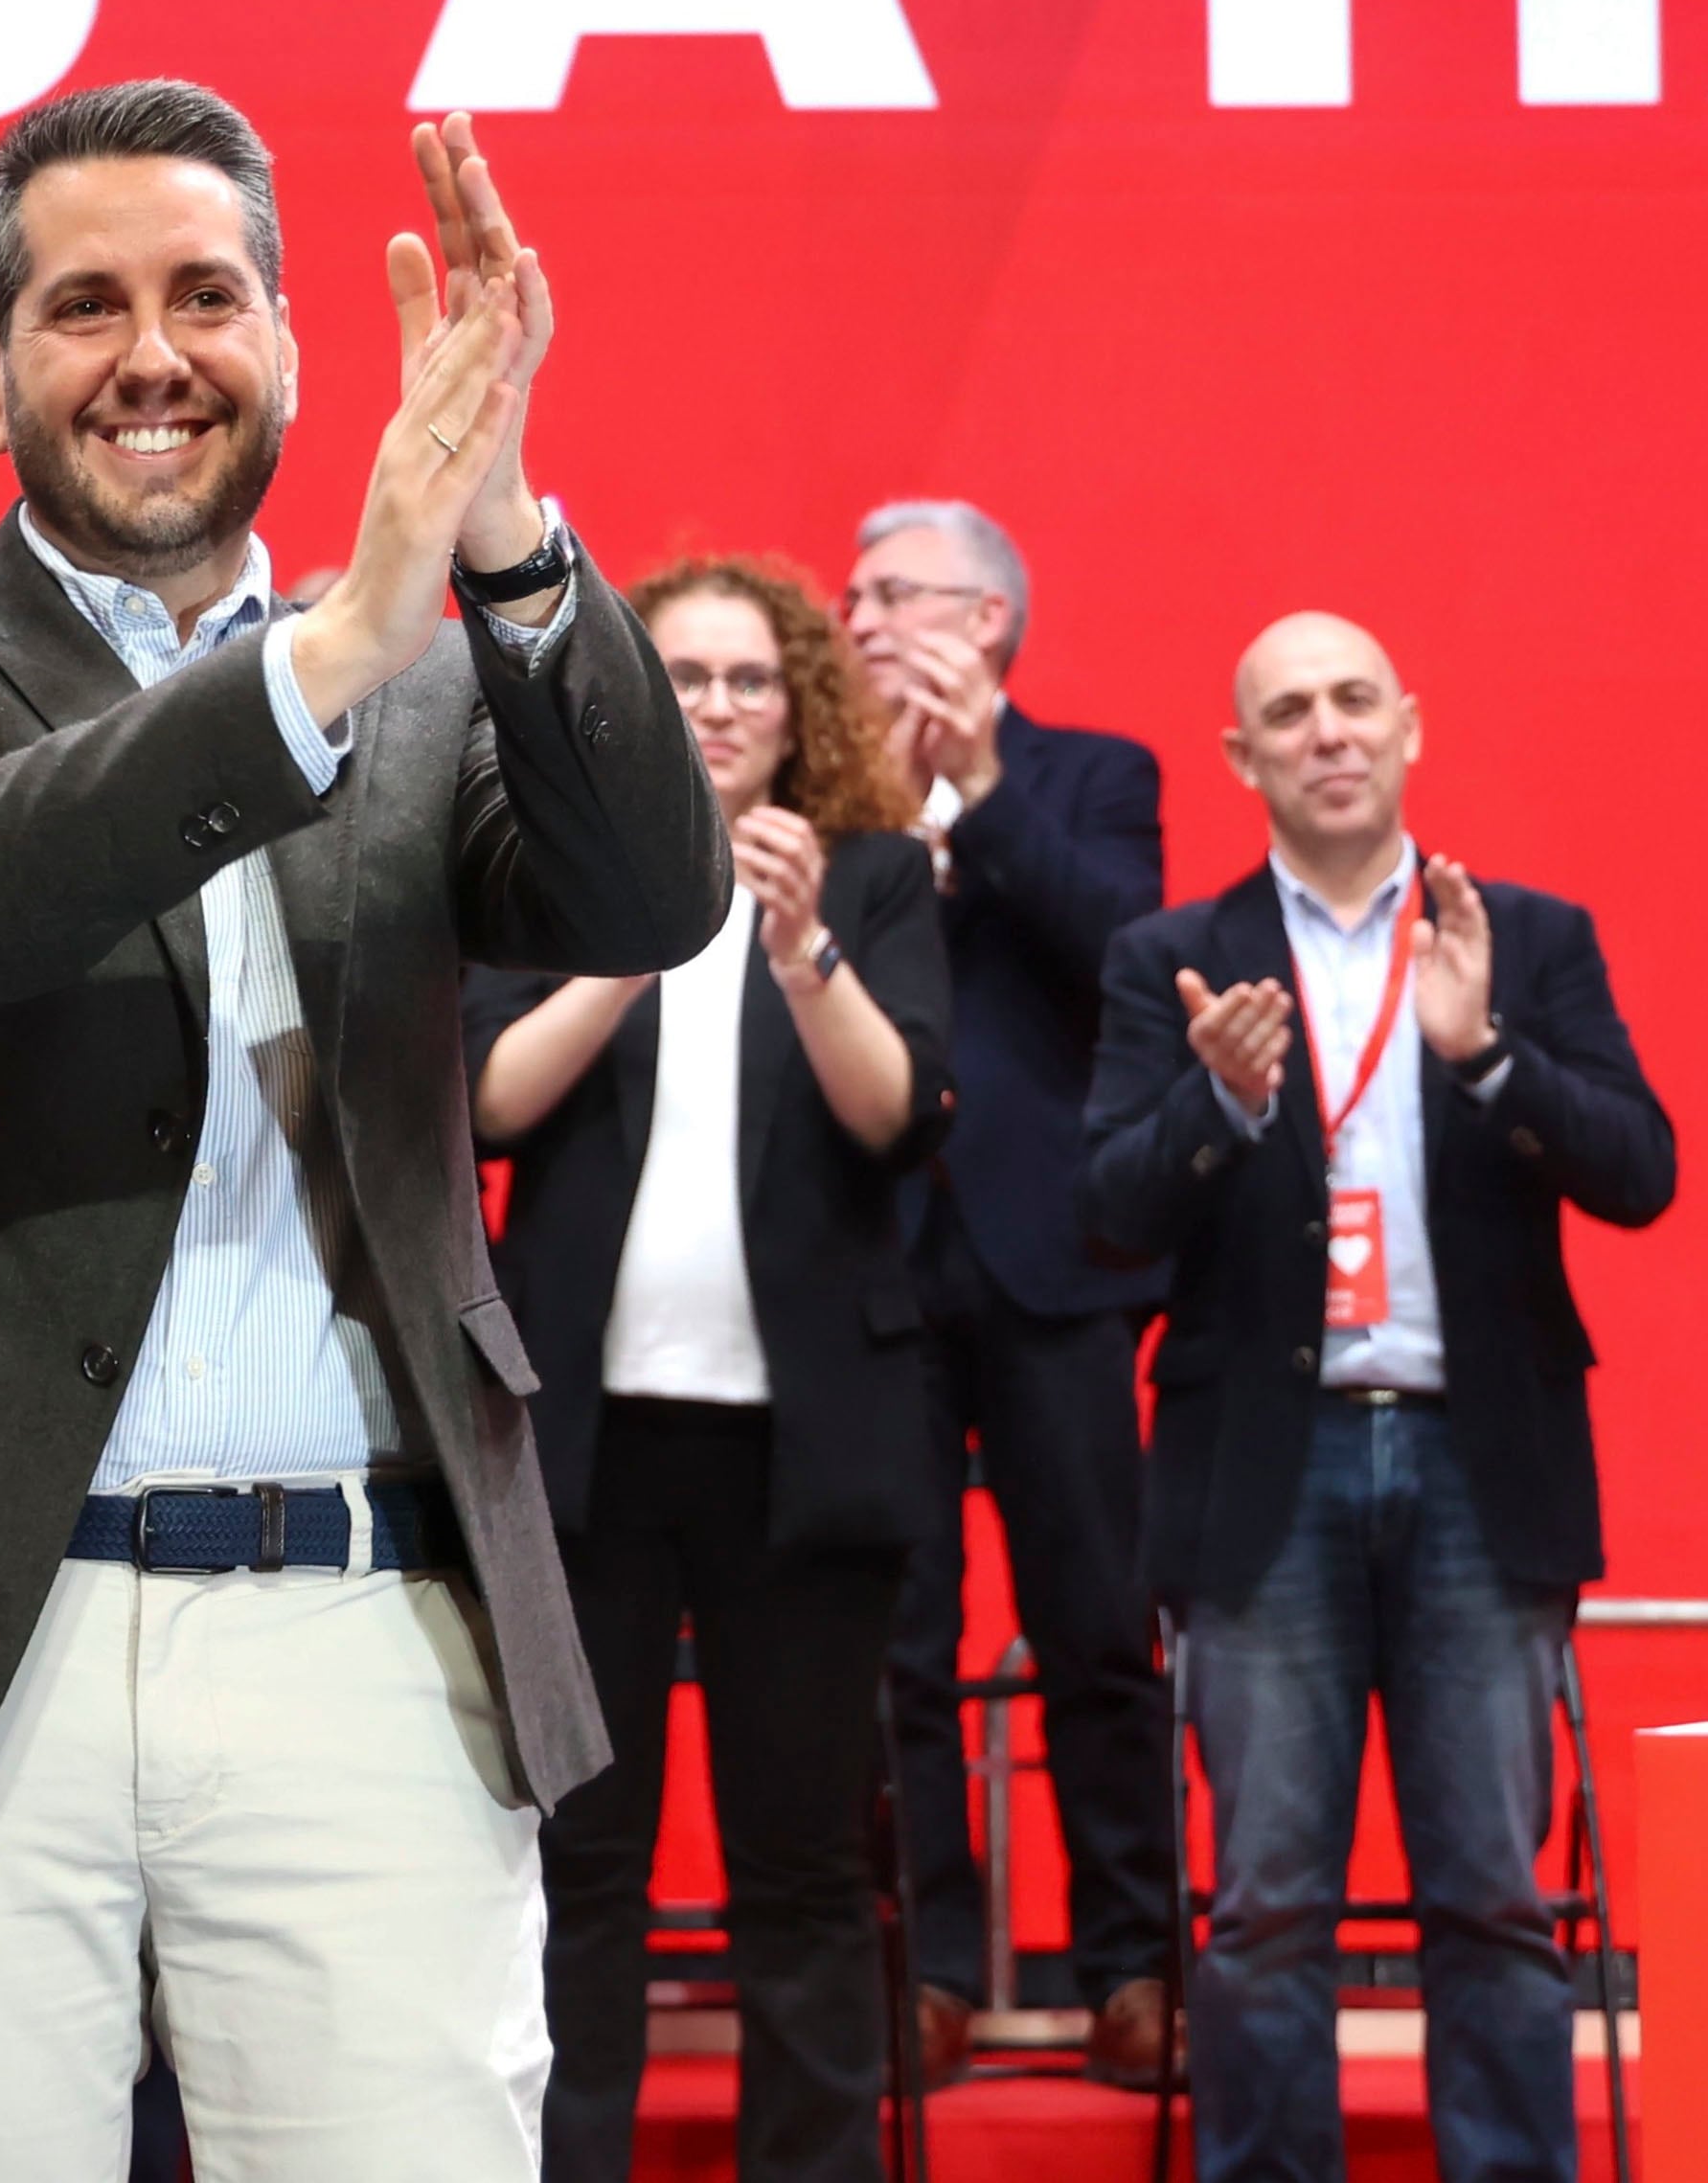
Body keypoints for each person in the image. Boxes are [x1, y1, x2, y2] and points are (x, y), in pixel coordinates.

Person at [0, 82, 731, 2183]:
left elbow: (651, 900)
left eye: (204, 295)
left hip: (363, 1622)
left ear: (289, 343)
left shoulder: (435, 673)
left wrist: (495, 531)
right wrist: (322, 654)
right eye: (81, 304)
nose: (149, 355)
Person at [1087, 613, 1674, 2183]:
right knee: (1269, 1898)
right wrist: (1219, 1099)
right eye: (1291, 710)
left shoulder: (1526, 936)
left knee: (1492, 1888)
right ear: (1244, 756)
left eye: (1355, 700)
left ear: (1409, 726)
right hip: (1260, 1477)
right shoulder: (1173, 958)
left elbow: (1642, 1166)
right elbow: (1106, 1210)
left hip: (1484, 1464)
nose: (1328, 729)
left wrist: (1489, 1059)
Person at [464, 558, 952, 2183]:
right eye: (685, 675)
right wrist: (637, 933)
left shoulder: (875, 875)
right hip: (592, 1448)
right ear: (628, 697)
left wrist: (800, 942)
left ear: (797, 699)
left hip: (803, 1452)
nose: (723, 706)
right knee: (581, 1859)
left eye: (752, 677)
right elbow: (489, 1106)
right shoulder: (549, 867)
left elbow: (899, 1117)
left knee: (804, 1864)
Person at [835, 500, 1176, 2085]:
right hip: (871, 1247)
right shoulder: (823, 783)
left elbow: (1130, 948)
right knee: (895, 1638)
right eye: (852, 591)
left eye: (892, 590)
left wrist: (975, 786)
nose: (860, 611)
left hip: (1057, 1252)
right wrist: (887, 811)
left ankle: (1133, 1956)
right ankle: (932, 1963)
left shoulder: (1097, 773)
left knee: (1097, 1621)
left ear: (986, 619)